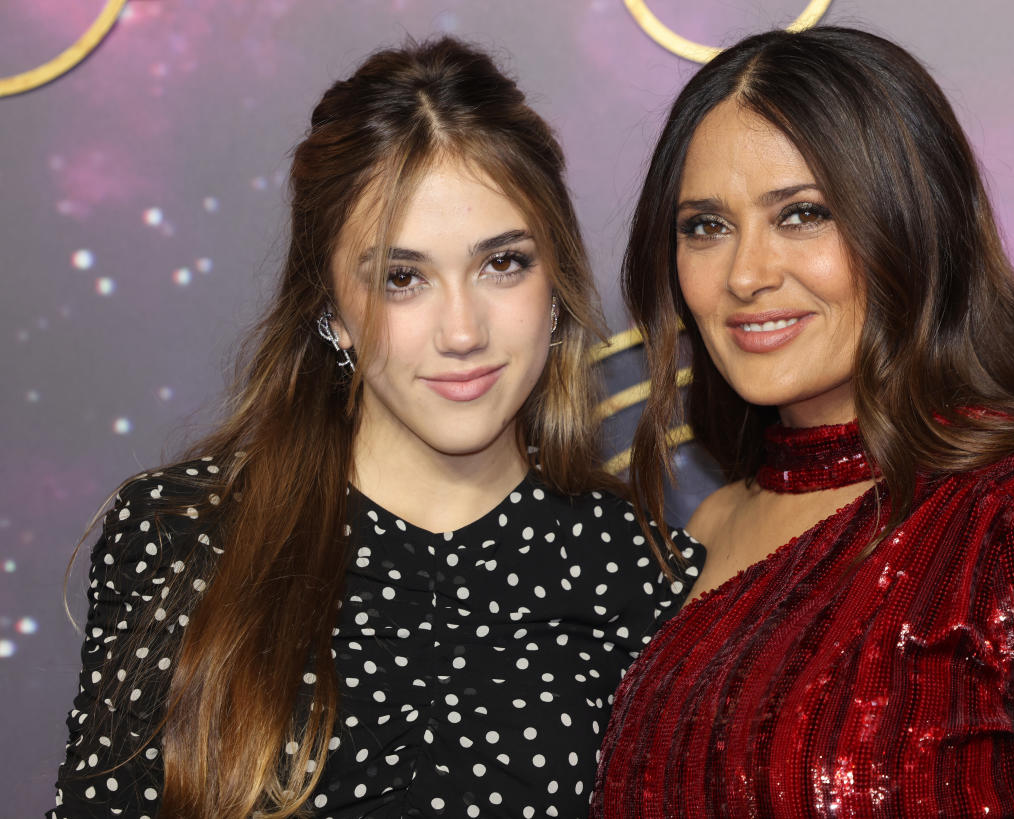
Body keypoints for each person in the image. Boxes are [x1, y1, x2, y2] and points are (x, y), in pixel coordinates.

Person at [50, 37, 699, 819]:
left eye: (502, 264)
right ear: (332, 309)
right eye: (402, 278)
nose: (462, 331)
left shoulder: (644, 573)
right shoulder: (183, 534)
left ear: (556, 278)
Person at [593, 25, 1014, 818]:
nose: (745, 273)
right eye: (704, 225)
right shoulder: (713, 518)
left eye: (802, 214)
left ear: (910, 225)